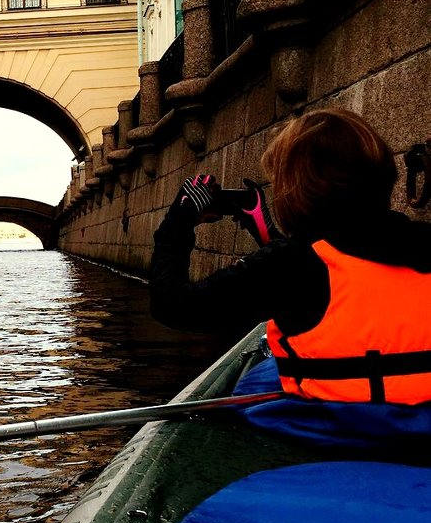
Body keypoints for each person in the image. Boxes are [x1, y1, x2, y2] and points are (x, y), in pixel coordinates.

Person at [151, 107, 431, 405]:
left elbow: (172, 305)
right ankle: (264, 230)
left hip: (343, 425)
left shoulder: (290, 264)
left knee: (255, 382)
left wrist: (179, 220)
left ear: (295, 188)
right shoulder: (424, 238)